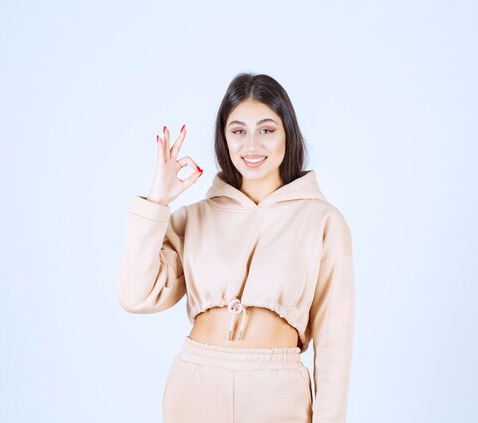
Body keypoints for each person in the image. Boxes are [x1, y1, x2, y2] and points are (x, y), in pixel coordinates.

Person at [116, 72, 355, 422]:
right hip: (195, 387)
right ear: (224, 138)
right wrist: (156, 202)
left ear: (288, 134)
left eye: (267, 130)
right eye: (239, 131)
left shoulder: (323, 221)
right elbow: (136, 296)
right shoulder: (194, 218)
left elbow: (335, 342)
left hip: (278, 396)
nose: (252, 145)